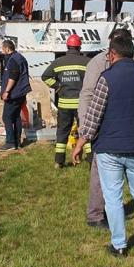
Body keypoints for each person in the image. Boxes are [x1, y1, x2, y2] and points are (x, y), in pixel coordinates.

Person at [72, 36, 134, 257]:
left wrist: (80, 143)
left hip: (110, 149)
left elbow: (93, 117)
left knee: (113, 197)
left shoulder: (106, 79)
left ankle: (119, 245)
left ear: (112, 54)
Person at [77, 28, 132, 229]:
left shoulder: (126, 61)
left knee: (116, 173)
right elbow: (87, 95)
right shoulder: (99, 63)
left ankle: (112, 209)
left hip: (120, 124)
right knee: (99, 173)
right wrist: (86, 128)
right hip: (100, 124)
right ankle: (96, 215)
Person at [42, 34, 90, 167]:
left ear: (67, 47)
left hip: (64, 104)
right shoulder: (86, 62)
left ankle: (59, 161)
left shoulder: (58, 62)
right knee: (86, 130)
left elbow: (45, 76)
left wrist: (58, 87)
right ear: (79, 46)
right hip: (82, 104)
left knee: (62, 132)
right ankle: (91, 160)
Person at [0, 40, 31, 150]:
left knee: (7, 117)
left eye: (2, 48)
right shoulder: (20, 57)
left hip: (14, 93)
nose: (2, 51)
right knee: (16, 116)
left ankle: (10, 143)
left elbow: (13, 76)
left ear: (7, 49)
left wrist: (7, 91)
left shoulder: (13, 59)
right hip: (20, 93)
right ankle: (17, 142)